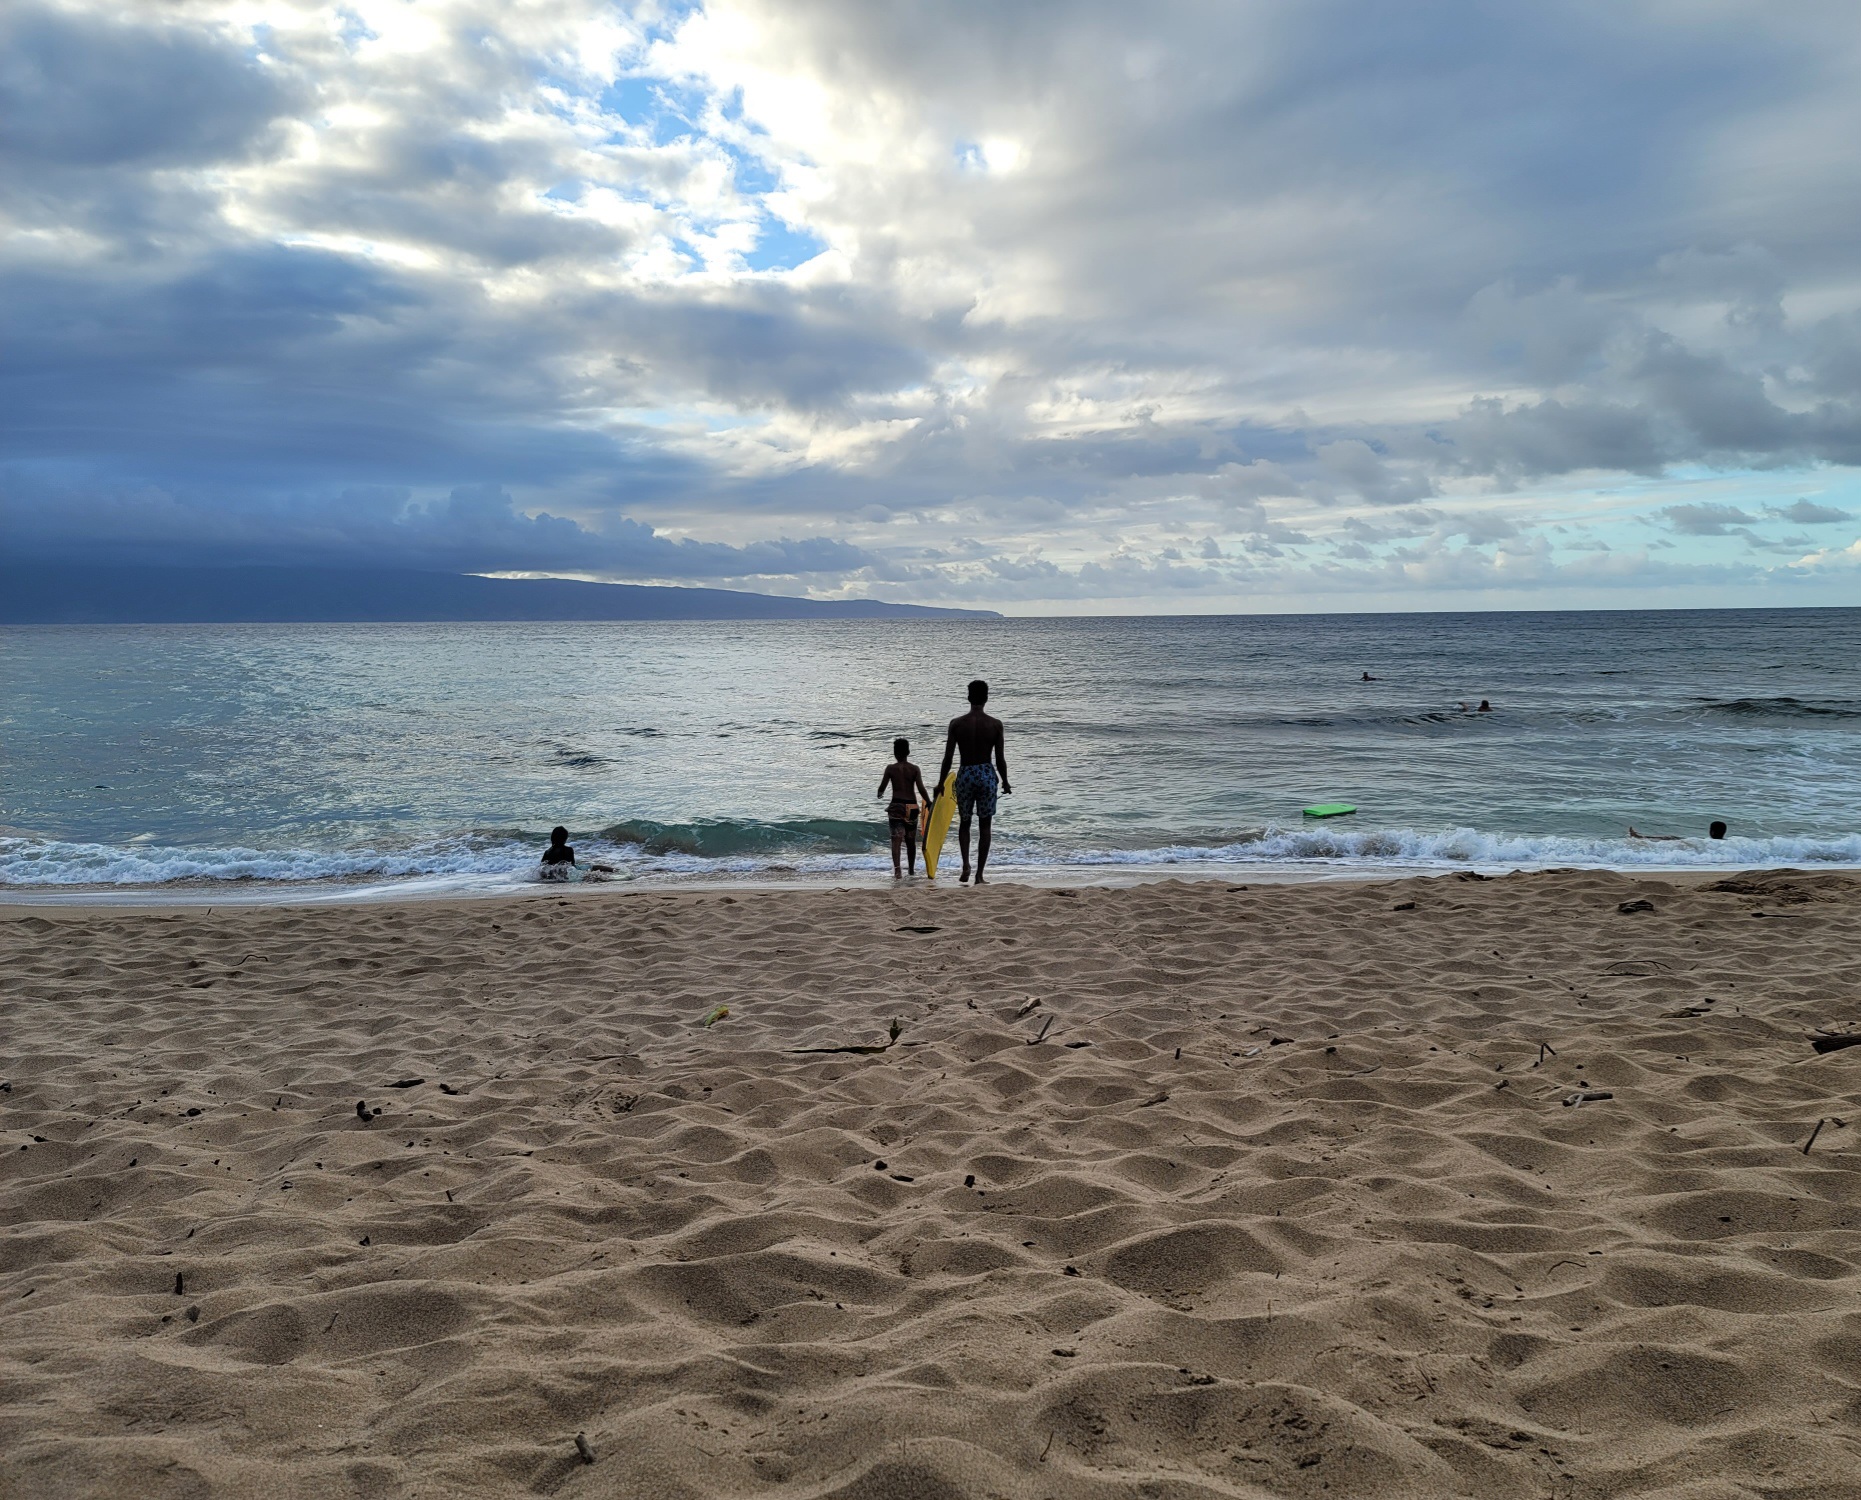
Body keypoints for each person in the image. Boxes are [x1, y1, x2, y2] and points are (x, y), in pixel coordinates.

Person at [937, 679, 1013, 884]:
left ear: (969, 697)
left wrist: (941, 783)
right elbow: (1000, 759)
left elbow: (948, 758)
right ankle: (979, 875)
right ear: (986, 698)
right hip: (986, 774)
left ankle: (965, 865)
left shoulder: (957, 724)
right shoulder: (995, 725)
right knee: (985, 825)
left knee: (965, 822)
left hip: (966, 774)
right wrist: (1005, 781)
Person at [876, 737, 933, 878]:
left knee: (896, 839)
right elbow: (921, 788)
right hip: (912, 806)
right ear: (908, 752)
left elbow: (882, 787)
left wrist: (880, 793)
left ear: (895, 753)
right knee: (910, 840)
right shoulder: (914, 769)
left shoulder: (890, 769)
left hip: (897, 805)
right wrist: (929, 802)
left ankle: (897, 870)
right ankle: (911, 870)